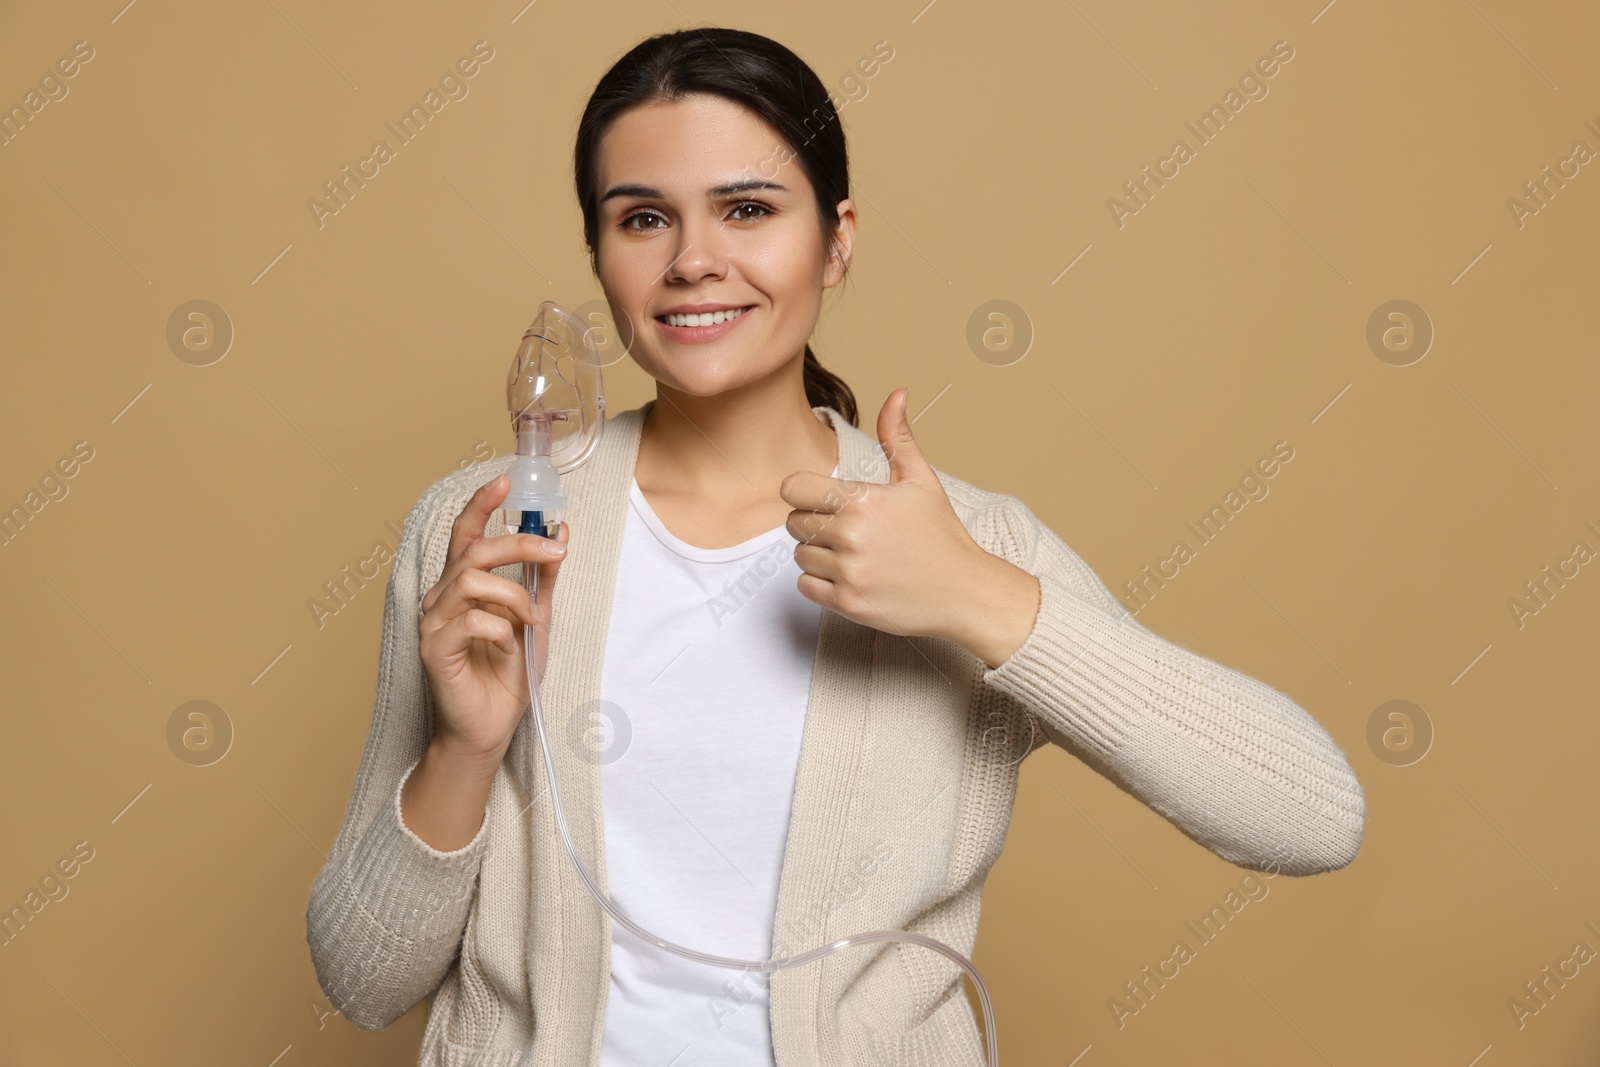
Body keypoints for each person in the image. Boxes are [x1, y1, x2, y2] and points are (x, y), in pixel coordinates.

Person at [305, 27, 1366, 1067]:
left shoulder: (968, 543)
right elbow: (363, 981)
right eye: (642, 219)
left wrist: (979, 601)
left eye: (748, 209)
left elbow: (1312, 815)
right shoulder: (489, 526)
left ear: (838, 237)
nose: (693, 261)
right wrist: (463, 748)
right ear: (597, 251)